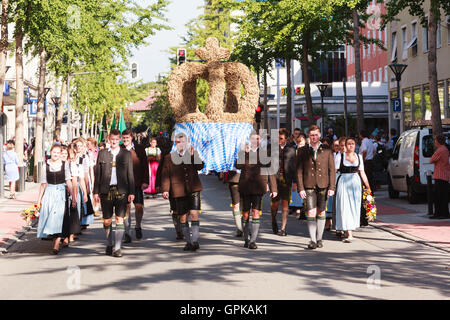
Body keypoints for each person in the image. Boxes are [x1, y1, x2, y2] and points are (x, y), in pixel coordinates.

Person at [94, 130, 135, 257]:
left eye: (117, 140)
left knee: (119, 219)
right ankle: (109, 243)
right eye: (112, 139)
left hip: (121, 190)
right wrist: (96, 192)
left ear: (119, 140)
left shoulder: (126, 154)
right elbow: (98, 174)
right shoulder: (102, 154)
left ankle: (117, 248)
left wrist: (132, 191)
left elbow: (130, 173)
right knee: (107, 220)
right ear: (108, 139)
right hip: (105, 190)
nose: (114, 142)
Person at [161, 133, 204, 252]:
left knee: (194, 213)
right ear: (176, 143)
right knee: (183, 217)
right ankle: (188, 242)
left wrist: (193, 156)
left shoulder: (192, 154)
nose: (182, 144)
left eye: (184, 142)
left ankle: (195, 241)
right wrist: (165, 189)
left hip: (194, 188)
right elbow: (165, 175)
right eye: (179, 142)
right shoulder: (169, 158)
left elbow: (200, 166)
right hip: (178, 190)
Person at [236, 131, 277, 249]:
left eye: (258, 139)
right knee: (245, 214)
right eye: (254, 139)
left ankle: (253, 240)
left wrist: (273, 188)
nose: (256, 141)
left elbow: (271, 171)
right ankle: (246, 238)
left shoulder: (264, 154)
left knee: (255, 213)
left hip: (259, 187)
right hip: (245, 187)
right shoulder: (244, 153)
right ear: (250, 140)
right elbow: (237, 166)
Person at [297, 125, 336, 250]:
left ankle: (319, 238)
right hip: (308, 184)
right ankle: (312, 240)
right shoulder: (303, 150)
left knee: (321, 211)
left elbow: (332, 170)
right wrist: (300, 188)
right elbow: (298, 171)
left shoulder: (327, 149)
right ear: (309, 136)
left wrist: (332, 187)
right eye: (312, 135)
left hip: (323, 184)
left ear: (319, 135)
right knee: (310, 211)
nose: (314, 137)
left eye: (316, 135)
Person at [37, 144, 73, 254]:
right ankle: (55, 242)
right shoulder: (45, 166)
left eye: (58, 153)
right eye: (54, 152)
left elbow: (68, 181)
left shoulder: (65, 164)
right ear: (50, 153)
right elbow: (43, 184)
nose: (56, 154)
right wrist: (39, 200)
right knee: (50, 217)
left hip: (61, 193)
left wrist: (73, 197)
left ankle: (57, 245)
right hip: (49, 193)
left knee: (57, 217)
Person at [334, 137, 371, 242]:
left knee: (353, 207)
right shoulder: (340, 157)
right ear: (345, 145)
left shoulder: (359, 157)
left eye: (353, 143)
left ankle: (348, 229)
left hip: (355, 183)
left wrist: (368, 187)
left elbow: (362, 172)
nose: (351, 145)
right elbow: (333, 172)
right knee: (344, 206)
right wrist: (331, 187)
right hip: (343, 182)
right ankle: (349, 233)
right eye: (349, 144)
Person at [121, 129, 149, 241]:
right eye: (123, 138)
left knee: (138, 206)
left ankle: (138, 225)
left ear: (131, 137)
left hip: (137, 182)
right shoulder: (120, 149)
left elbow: (145, 166)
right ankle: (127, 232)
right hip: (124, 184)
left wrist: (145, 181)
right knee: (126, 207)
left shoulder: (139, 148)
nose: (125, 140)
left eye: (127, 138)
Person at [270, 129, 297, 236]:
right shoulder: (272, 149)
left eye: (280, 138)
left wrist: (295, 182)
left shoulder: (291, 149)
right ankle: (273, 219)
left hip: (287, 180)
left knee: (285, 204)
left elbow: (294, 167)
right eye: (277, 138)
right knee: (275, 204)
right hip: (274, 180)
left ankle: (283, 228)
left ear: (286, 139)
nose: (278, 140)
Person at [60, 145, 80, 247]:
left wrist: (74, 197)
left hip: (68, 191)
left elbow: (74, 182)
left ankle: (68, 235)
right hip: (57, 192)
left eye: (65, 154)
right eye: (61, 154)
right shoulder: (56, 164)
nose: (63, 156)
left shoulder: (70, 165)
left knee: (68, 215)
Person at [429, 134, 450, 219]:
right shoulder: (445, 149)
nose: (435, 142)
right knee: (443, 196)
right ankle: (444, 213)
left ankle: (439, 213)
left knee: (438, 196)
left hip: (440, 175)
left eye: (435, 140)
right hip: (445, 175)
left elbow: (431, 160)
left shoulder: (440, 150)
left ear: (438, 141)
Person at [290, 134, 307, 219]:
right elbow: (293, 168)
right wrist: (294, 181)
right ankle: (299, 210)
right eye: (300, 144)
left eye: (303, 144)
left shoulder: (308, 152)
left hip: (306, 176)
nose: (301, 146)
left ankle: (303, 211)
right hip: (297, 176)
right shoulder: (295, 153)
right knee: (299, 194)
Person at [227, 169, 243, 237]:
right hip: (235, 180)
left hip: (248, 180)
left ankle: (245, 226)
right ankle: (239, 228)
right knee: (236, 205)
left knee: (245, 205)